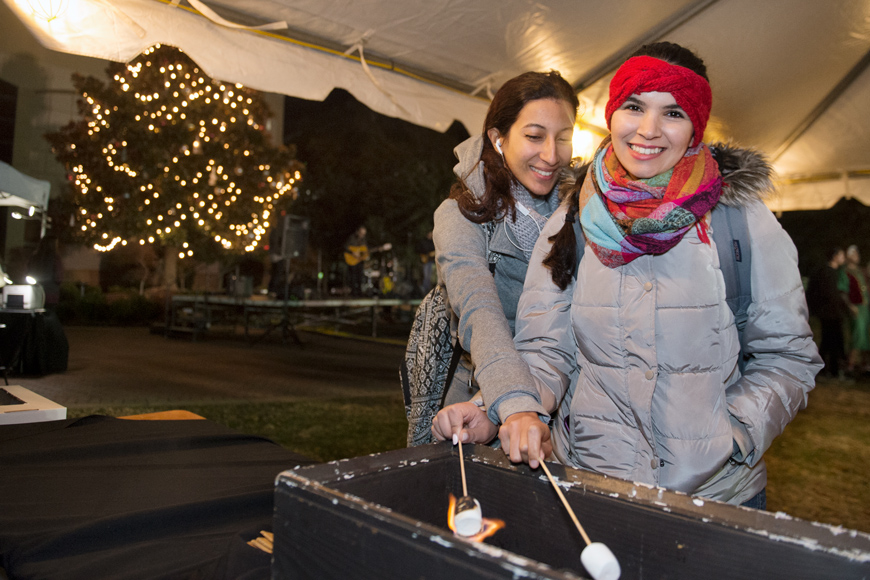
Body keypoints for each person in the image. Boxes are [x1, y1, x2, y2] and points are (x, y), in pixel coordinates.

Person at [433, 42, 822, 508]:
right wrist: (493, 411)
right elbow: (545, 349)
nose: (649, 130)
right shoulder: (572, 218)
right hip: (591, 487)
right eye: (635, 106)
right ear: (614, 113)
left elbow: (788, 355)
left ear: (695, 125)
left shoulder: (741, 220)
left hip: (718, 497)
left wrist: (732, 436)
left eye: (673, 112)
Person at [431, 70, 579, 412]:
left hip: (571, 406)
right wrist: (515, 403)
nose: (551, 155)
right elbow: (480, 313)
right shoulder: (461, 215)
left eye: (563, 137)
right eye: (534, 135)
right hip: (484, 400)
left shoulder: (583, 209)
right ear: (499, 138)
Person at [806, 247, 849, 379]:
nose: (843, 258)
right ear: (835, 256)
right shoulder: (826, 272)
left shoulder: (834, 272)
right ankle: (831, 370)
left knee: (829, 341)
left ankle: (825, 369)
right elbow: (828, 294)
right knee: (832, 341)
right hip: (829, 313)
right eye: (841, 255)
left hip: (832, 313)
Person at [840, 245, 870, 373]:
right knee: (858, 335)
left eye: (857, 254)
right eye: (853, 254)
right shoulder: (845, 272)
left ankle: (865, 364)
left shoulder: (860, 271)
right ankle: (850, 364)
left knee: (866, 335)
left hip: (865, 308)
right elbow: (842, 291)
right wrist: (850, 306)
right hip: (856, 308)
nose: (857, 256)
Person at [343, 225, 368, 297]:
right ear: (357, 232)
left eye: (364, 234)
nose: (362, 235)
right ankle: (353, 292)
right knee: (353, 276)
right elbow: (345, 247)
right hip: (352, 260)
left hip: (360, 260)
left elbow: (365, 250)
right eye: (361, 233)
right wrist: (352, 253)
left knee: (360, 276)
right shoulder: (352, 238)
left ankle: (359, 292)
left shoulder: (364, 240)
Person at [415, 230, 436, 294]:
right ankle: (425, 290)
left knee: (432, 276)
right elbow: (420, 250)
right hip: (427, 262)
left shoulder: (434, 241)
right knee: (427, 276)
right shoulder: (424, 242)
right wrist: (424, 256)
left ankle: (430, 289)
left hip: (432, 262)